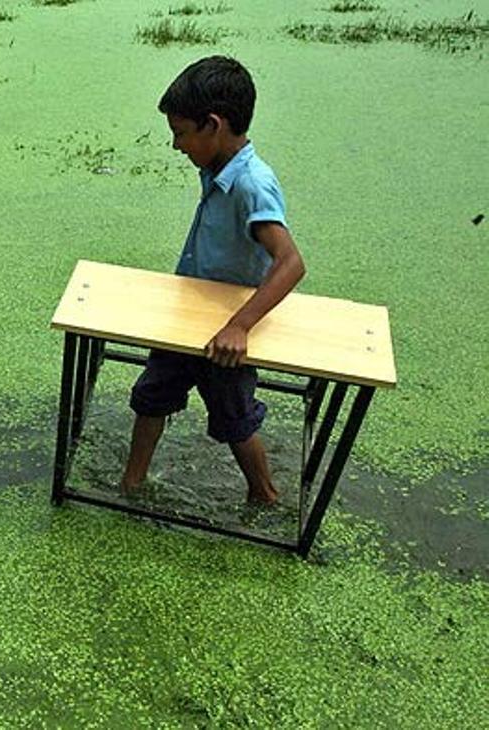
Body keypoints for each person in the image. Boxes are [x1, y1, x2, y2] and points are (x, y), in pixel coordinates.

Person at [121, 56, 306, 505]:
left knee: (233, 418)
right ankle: (131, 483)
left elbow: (291, 262)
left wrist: (239, 327)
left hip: (225, 331)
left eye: (180, 133)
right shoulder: (217, 168)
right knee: (151, 395)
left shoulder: (252, 184)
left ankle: (264, 493)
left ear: (213, 125)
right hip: (185, 316)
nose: (175, 145)